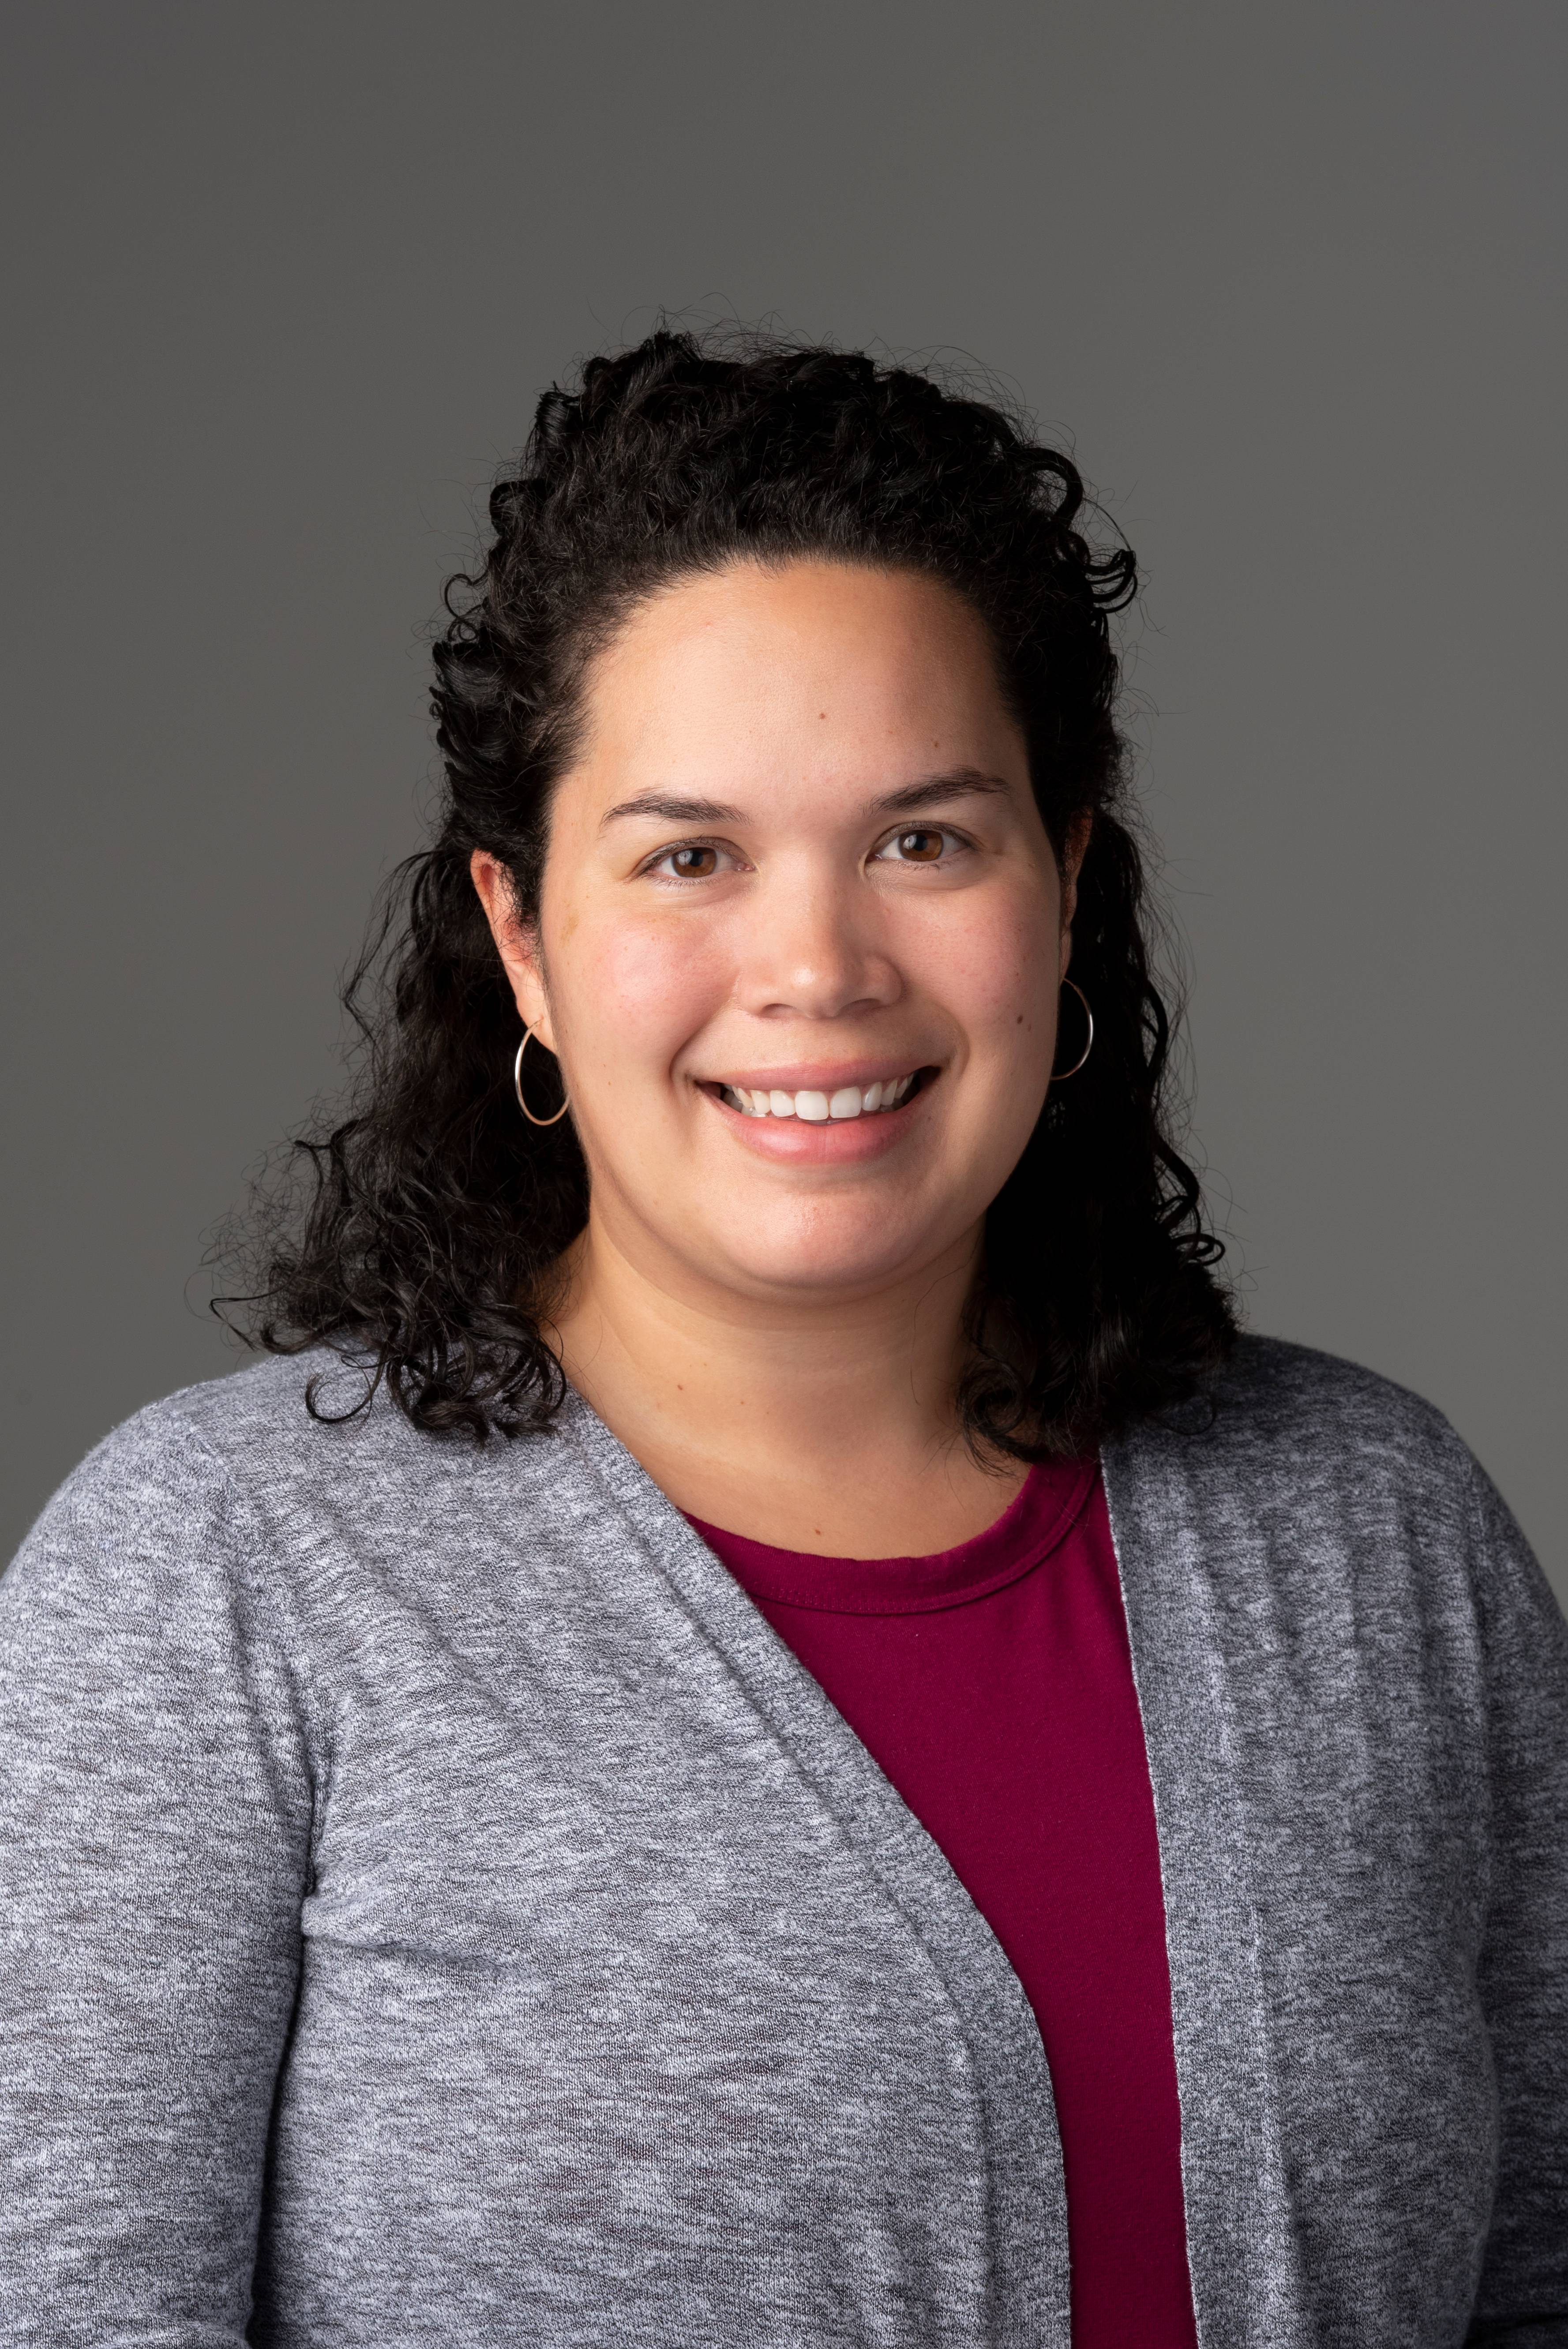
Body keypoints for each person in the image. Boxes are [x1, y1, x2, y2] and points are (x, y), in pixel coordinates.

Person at [1, 330, 1563, 2349]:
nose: (817, 966)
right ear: (526, 936)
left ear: (1064, 886)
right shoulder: (216, 1580)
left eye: (924, 838)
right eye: (688, 856)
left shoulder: (1378, 1539)